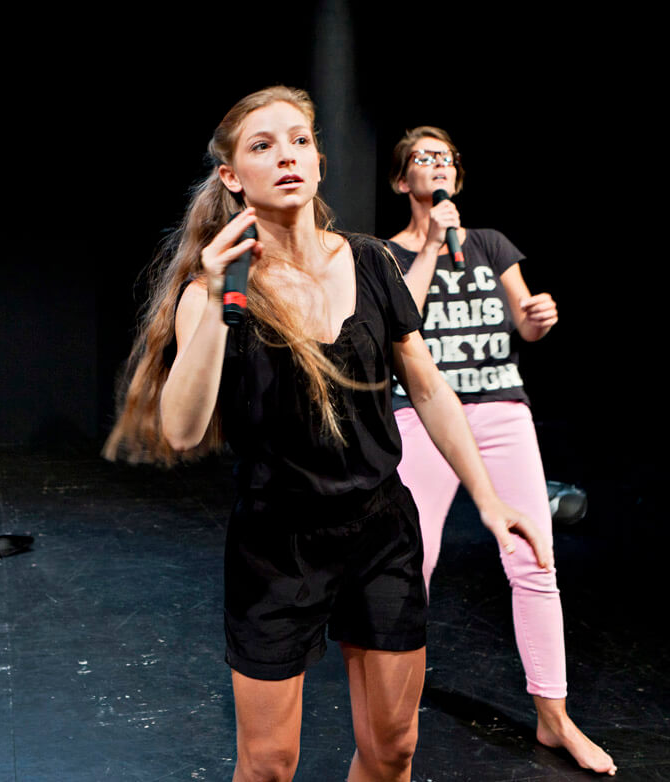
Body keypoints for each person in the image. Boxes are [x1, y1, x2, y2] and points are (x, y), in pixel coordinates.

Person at [104, 86, 552, 782]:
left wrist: (488, 501)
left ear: (317, 160)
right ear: (231, 177)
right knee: (268, 763)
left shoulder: (371, 262)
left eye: (299, 140)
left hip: (379, 529)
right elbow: (184, 428)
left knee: (392, 749)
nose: (286, 155)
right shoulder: (217, 290)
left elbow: (427, 387)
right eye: (262, 146)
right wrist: (219, 289)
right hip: (276, 545)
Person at [387, 126, 615, 775]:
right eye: (421, 159)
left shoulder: (488, 243)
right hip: (425, 414)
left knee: (533, 559)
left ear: (454, 176)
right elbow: (400, 317)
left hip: (501, 408)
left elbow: (524, 319)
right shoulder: (384, 254)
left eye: (444, 158)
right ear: (403, 181)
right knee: (412, 562)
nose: (435, 166)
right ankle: (394, 705)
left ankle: (554, 719)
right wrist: (430, 246)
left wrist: (536, 318)